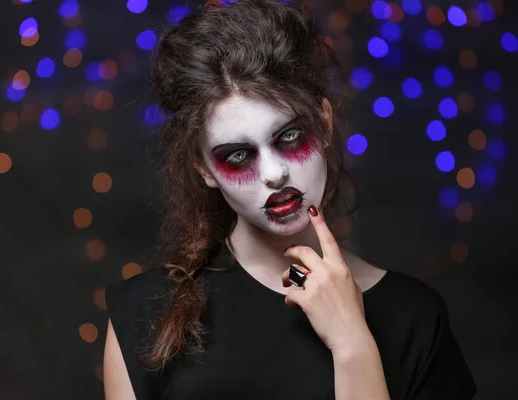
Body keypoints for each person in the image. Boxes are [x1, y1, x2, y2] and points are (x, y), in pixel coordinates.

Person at [102, 0, 477, 399]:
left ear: (325, 122)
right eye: (238, 155)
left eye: (291, 137)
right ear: (204, 169)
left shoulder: (414, 319)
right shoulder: (145, 314)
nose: (274, 173)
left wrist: (353, 345)